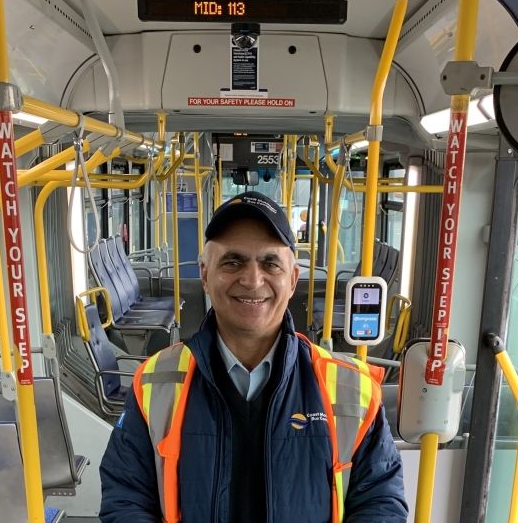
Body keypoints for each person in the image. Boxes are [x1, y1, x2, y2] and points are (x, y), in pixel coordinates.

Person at [99, 191, 407, 522]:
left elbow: (380, 502)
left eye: (270, 263)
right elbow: (126, 497)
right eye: (233, 261)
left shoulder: (352, 390)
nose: (252, 279)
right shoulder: (153, 383)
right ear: (205, 275)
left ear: (292, 279)